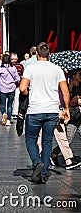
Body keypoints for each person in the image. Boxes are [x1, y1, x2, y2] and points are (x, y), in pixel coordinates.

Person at [19, 42, 70, 184]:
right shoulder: (57, 69)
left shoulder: (30, 68)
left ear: (36, 54)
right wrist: (66, 109)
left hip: (35, 110)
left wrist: (26, 92)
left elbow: (22, 87)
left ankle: (36, 162)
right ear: (49, 54)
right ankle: (43, 172)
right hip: (52, 110)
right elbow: (65, 90)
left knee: (30, 139)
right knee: (47, 141)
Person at [0, 54, 20, 126]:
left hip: (3, 88)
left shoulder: (0, 68)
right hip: (11, 88)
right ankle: (8, 120)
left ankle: (4, 114)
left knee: (2, 104)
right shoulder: (13, 68)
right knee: (10, 104)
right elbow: (17, 78)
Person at [10, 53, 24, 118]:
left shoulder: (8, 66)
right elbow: (22, 75)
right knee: (16, 98)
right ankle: (15, 112)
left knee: (10, 99)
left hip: (9, 85)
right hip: (17, 84)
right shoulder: (20, 66)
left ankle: (9, 112)